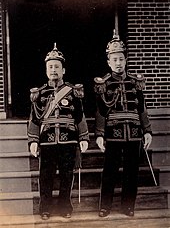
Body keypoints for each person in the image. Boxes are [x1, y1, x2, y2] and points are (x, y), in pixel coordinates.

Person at [94, 30, 152, 217]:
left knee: (131, 171)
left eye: (121, 59)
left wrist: (147, 131)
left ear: (126, 60)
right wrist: (100, 134)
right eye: (114, 60)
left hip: (134, 133)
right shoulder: (104, 83)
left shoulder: (135, 82)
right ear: (109, 62)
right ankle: (105, 206)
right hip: (113, 133)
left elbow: (142, 108)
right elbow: (101, 111)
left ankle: (128, 206)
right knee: (109, 171)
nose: (118, 63)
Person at [28, 43, 89, 220]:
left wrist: (83, 137)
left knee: (66, 175)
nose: (54, 70)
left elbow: (80, 116)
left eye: (57, 66)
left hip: (68, 140)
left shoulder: (73, 92)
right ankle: (45, 208)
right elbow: (34, 119)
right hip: (46, 140)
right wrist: (33, 140)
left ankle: (65, 206)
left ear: (63, 70)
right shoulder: (39, 94)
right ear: (46, 70)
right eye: (50, 67)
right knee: (45, 176)